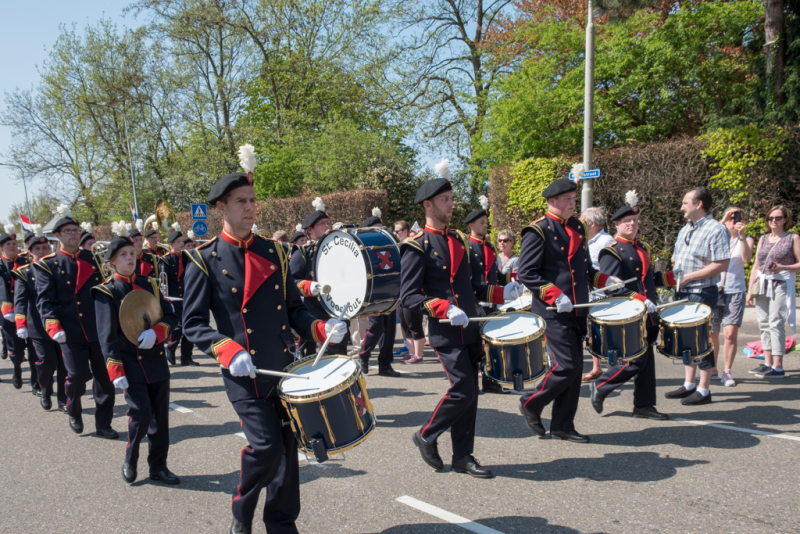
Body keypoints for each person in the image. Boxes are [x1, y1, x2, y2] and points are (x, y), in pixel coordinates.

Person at [182, 162, 347, 534]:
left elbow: (293, 311)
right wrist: (228, 350)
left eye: (253, 200)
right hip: (243, 373)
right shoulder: (202, 260)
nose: (250, 207)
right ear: (221, 209)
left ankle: (282, 522)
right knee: (268, 447)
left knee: (289, 450)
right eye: (240, 201)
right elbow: (192, 325)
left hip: (282, 368)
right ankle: (242, 508)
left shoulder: (276, 252)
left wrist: (322, 327)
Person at [401, 177, 521, 478]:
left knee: (472, 396)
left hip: (469, 327)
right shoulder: (417, 247)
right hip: (446, 330)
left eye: (452, 198)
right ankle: (427, 434)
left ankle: (462, 456)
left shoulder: (458, 240)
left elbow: (473, 287)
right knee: (463, 389)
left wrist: (501, 292)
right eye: (445, 200)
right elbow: (409, 296)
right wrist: (444, 307)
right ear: (428, 205)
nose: (452, 204)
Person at [516, 179, 621, 443]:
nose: (573, 203)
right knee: (566, 365)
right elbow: (527, 273)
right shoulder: (537, 230)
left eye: (574, 198)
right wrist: (554, 294)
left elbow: (583, 269)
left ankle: (563, 425)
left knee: (575, 372)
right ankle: (531, 401)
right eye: (567, 199)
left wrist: (604, 280)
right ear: (552, 202)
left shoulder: (577, 226)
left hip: (577, 307)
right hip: (553, 309)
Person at [92, 236, 180, 485]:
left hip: (156, 361)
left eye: (132, 253)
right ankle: (131, 458)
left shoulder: (150, 285)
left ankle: (158, 467)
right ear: (112, 262)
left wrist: (157, 331)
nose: (130, 258)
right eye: (123, 255)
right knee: (141, 415)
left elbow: (172, 317)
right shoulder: (106, 291)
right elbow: (106, 336)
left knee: (160, 421)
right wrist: (115, 370)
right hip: (129, 364)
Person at [589, 191, 676, 420]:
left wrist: (673, 277)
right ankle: (601, 385)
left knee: (646, 363)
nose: (632, 225)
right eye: (627, 221)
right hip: (630, 314)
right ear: (616, 224)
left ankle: (644, 405)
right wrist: (640, 300)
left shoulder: (641, 248)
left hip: (648, 313)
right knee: (636, 360)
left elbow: (649, 279)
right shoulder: (612, 251)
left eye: (635, 221)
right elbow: (613, 287)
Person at [34, 210, 118, 438]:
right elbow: (44, 299)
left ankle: (103, 424)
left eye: (75, 230)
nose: (73, 234)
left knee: (105, 379)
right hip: (69, 330)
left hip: (98, 328)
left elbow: (109, 289)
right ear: (58, 236)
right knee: (77, 376)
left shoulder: (94, 259)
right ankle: (73, 409)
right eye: (68, 231)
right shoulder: (47, 265)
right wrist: (53, 325)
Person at [664, 187, 730, 405]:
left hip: (701, 291)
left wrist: (690, 276)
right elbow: (676, 258)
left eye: (685, 202)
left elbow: (721, 264)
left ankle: (704, 390)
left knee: (701, 339)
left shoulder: (716, 229)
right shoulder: (685, 229)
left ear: (698, 204)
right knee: (685, 339)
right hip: (683, 291)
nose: (681, 206)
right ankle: (689, 384)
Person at [289, 198, 351, 357]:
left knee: (340, 353)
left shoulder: (340, 249)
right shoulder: (303, 252)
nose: (327, 226)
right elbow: (290, 282)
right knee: (320, 354)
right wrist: (309, 287)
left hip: (339, 309)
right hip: (317, 313)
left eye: (327, 222)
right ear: (310, 230)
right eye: (322, 223)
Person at [13, 227, 66, 409]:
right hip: (38, 326)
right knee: (47, 362)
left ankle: (63, 400)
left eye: (45, 248)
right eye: (38, 249)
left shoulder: (59, 268)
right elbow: (19, 300)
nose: (42, 252)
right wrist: (21, 323)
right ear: (30, 252)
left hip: (62, 323)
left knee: (64, 365)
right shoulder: (25, 272)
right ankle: (45, 389)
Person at [746, 205, 800, 379]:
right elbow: (756, 266)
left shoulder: (792, 238)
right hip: (762, 284)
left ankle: (778, 366)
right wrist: (749, 291)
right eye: (770, 218)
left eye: (777, 218)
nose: (774, 221)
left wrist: (783, 267)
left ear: (785, 219)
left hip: (781, 283)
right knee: (763, 322)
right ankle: (768, 363)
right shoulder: (763, 238)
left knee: (776, 322)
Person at [464, 197, 507, 394]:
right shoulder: (467, 247)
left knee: (491, 342)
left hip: (492, 299)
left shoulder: (489, 247)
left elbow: (495, 274)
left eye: (486, 222)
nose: (485, 225)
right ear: (471, 225)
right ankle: (475, 380)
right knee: (477, 343)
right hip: (476, 300)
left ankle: (491, 380)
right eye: (481, 222)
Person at [712, 207, 754, 386]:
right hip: (714, 288)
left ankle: (727, 371)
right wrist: (722, 222)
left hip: (735, 290)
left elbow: (746, 259)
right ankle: (711, 368)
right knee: (712, 332)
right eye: (730, 217)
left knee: (729, 334)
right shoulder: (716, 237)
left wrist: (742, 236)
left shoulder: (746, 239)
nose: (734, 220)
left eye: (738, 217)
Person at [357, 209, 400, 377]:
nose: (381, 232)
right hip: (373, 293)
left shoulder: (390, 245)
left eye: (382, 228)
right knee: (376, 326)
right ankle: (363, 356)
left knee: (390, 330)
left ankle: (385, 364)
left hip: (390, 289)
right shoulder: (362, 247)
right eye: (377, 228)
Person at [581, 207, 616, 382]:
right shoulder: (590, 240)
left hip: (604, 294)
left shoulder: (606, 241)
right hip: (592, 294)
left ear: (592, 223)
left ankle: (610, 369)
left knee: (606, 332)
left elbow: (610, 269)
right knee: (592, 332)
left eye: (583, 221)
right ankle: (597, 367)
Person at [1, 226, 32, 390]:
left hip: (28, 311)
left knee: (34, 349)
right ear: (2, 248)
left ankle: (36, 382)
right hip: (9, 314)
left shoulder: (26, 262)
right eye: (8, 245)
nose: (12, 247)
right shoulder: (1, 265)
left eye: (14, 243)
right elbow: (2, 289)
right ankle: (17, 370)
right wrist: (8, 310)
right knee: (16, 349)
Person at [163, 225, 198, 366]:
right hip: (173, 298)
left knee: (189, 327)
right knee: (178, 327)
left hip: (187, 295)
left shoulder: (188, 257)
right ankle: (171, 347)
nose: (181, 244)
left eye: (182, 241)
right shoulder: (165, 259)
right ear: (172, 244)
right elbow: (163, 280)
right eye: (178, 242)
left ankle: (186, 357)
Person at [394, 220, 424, 364]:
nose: (395, 233)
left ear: (405, 231)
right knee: (405, 325)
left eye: (398, 231)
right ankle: (411, 353)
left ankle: (418, 355)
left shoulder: (412, 246)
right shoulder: (399, 247)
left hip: (413, 291)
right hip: (402, 291)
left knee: (414, 324)